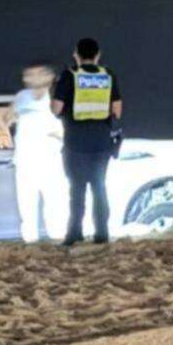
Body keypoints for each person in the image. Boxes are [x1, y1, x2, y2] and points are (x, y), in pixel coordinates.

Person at [51, 38, 123, 245]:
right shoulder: (108, 75)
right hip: (101, 143)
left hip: (75, 143)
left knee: (77, 189)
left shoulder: (69, 76)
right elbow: (117, 111)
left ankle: (74, 234)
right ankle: (102, 234)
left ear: (76, 55)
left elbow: (56, 109)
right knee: (99, 187)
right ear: (98, 55)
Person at [5, 62, 68, 243]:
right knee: (26, 205)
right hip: (25, 162)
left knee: (55, 204)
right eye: (29, 74)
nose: (32, 78)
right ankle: (30, 243)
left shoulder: (58, 97)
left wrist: (58, 134)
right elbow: (6, 118)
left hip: (51, 161)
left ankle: (57, 241)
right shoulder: (21, 97)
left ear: (50, 76)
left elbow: (69, 125)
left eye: (38, 73)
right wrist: (10, 120)